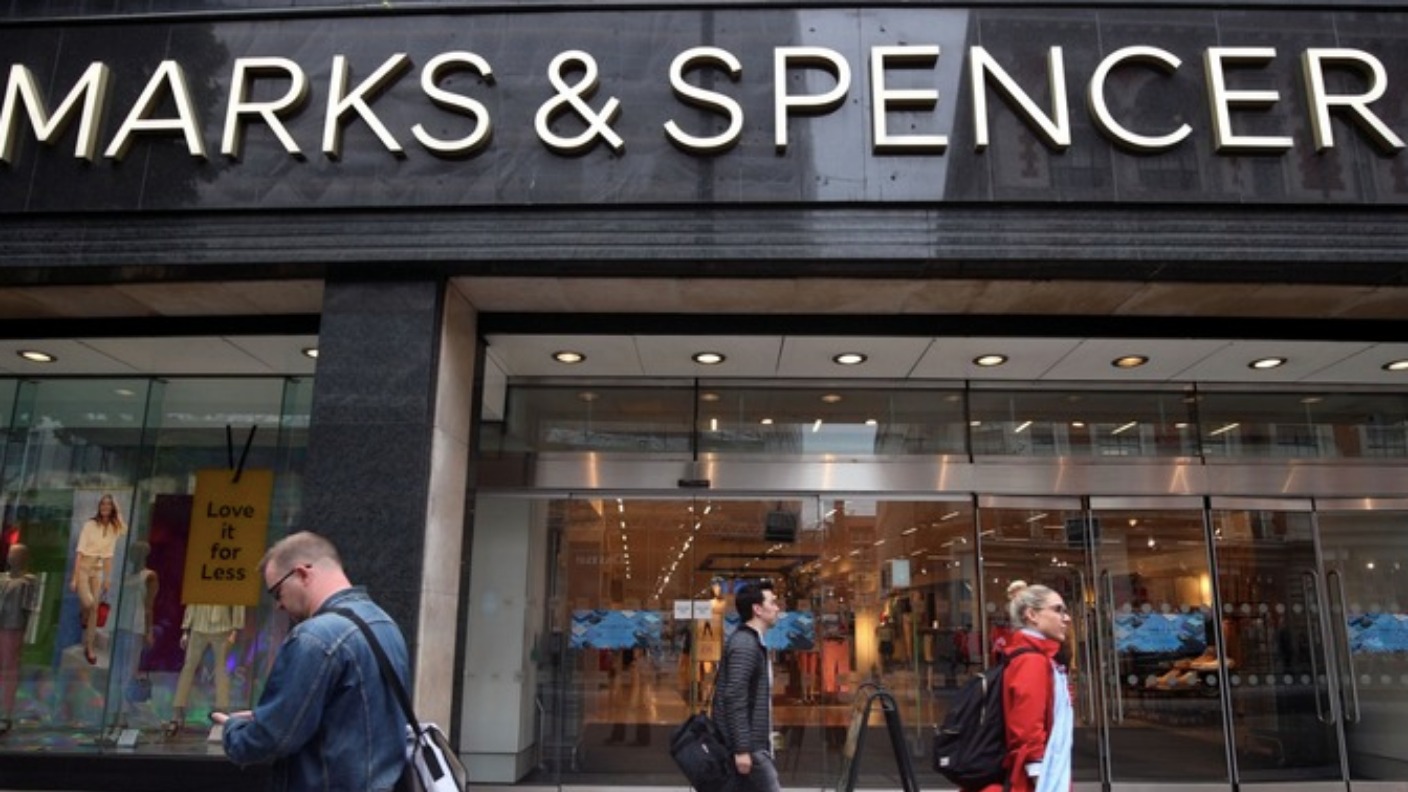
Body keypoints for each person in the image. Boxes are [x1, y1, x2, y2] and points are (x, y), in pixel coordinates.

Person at [213, 532, 410, 791]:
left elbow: (272, 738)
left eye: (276, 593)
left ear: (302, 574)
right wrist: (275, 714)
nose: (278, 606)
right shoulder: (384, 623)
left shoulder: (314, 637)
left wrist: (233, 729)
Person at [974, 580, 1073, 792]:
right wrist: (1040, 777)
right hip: (1034, 779)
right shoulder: (1032, 661)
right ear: (1032, 615)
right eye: (1058, 610)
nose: (1066, 618)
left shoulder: (1033, 657)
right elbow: (1027, 728)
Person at [711, 579, 782, 792]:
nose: (777, 608)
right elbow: (734, 697)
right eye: (772, 603)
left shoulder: (752, 642)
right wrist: (742, 749)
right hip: (751, 748)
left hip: (753, 745)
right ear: (757, 609)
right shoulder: (745, 644)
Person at [166, 602, 246, 736]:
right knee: (189, 668)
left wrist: (235, 629)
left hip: (222, 625)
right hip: (199, 624)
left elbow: (238, 600)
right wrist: (186, 629)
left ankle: (222, 711)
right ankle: (177, 711)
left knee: (221, 670)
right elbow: (193, 598)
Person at [72, 494, 127, 665]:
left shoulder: (113, 528)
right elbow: (79, 552)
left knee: (95, 608)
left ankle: (89, 647)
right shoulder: (90, 525)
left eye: (109, 505)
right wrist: (74, 578)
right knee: (89, 604)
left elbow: (109, 556)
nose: (105, 507)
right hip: (83, 568)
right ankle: (84, 614)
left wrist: (108, 578)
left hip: (98, 570)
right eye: (103, 504)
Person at [0, 543, 39, 734]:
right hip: (3, 625)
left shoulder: (28, 581)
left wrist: (24, 630)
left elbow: (29, 608)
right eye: (10, 554)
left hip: (13, 627)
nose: (10, 557)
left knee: (9, 668)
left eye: (15, 554)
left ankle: (5, 713)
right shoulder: (2, 578)